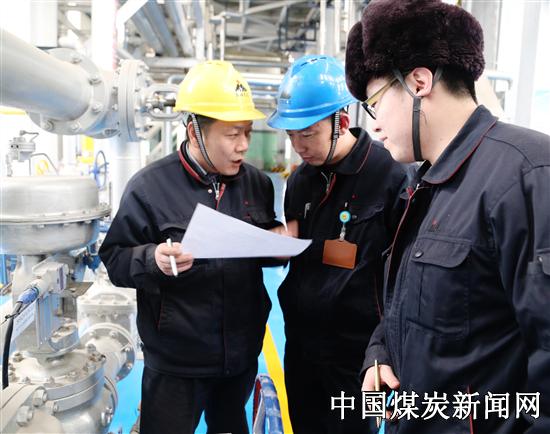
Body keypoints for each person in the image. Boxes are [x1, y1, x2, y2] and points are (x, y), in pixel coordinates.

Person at [345, 1, 550, 433]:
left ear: (419, 82)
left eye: (375, 103)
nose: (373, 126)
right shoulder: (423, 185)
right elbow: (412, 302)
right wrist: (380, 352)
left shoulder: (527, 175)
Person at [99, 60, 283, 434]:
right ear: (195, 132)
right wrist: (152, 259)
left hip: (240, 357)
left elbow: (256, 248)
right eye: (233, 134)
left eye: (248, 132)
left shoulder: (256, 184)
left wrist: (278, 244)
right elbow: (115, 259)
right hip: (177, 364)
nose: (244, 145)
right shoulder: (149, 188)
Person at [267, 54, 407, 434]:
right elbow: (302, 250)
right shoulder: (300, 181)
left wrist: (387, 350)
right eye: (291, 135)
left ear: (341, 123)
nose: (298, 146)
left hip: (358, 357)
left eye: (307, 133)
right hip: (301, 346)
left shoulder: (390, 175)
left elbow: (400, 275)